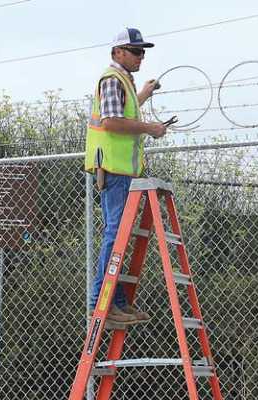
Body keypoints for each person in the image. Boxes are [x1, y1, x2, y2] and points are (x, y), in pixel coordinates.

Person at [84, 27, 168, 328]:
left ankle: (117, 302)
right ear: (118, 52)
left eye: (143, 51)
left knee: (120, 238)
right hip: (116, 172)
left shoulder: (125, 82)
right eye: (135, 51)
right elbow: (112, 123)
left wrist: (143, 94)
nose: (140, 56)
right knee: (114, 236)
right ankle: (101, 304)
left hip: (124, 173)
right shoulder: (112, 79)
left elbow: (122, 112)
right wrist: (150, 128)